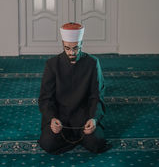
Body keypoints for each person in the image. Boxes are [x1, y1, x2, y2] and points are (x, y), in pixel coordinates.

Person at [38, 22, 110, 154]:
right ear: (63, 45)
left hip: (84, 116)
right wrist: (51, 119)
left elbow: (97, 95)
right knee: (48, 144)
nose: (71, 52)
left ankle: (78, 138)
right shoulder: (52, 64)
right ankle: (76, 139)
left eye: (76, 48)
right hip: (60, 117)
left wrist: (94, 118)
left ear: (81, 44)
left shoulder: (92, 63)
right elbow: (45, 98)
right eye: (67, 48)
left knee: (97, 143)